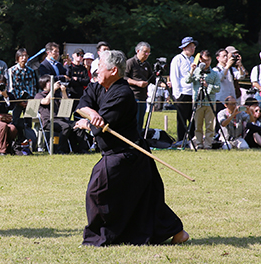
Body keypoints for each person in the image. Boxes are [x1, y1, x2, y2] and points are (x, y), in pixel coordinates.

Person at [75, 49, 188, 246]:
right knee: (140, 199)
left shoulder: (123, 94)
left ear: (112, 71)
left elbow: (99, 127)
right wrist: (91, 113)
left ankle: (100, 236)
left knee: (98, 191)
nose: (97, 70)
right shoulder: (100, 86)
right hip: (116, 154)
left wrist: (88, 123)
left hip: (127, 155)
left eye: (100, 67)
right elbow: (82, 104)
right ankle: (176, 232)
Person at [35, 74, 88, 154]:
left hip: (61, 120)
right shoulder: (39, 95)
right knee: (65, 127)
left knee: (78, 125)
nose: (52, 84)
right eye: (50, 82)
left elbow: (66, 104)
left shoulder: (57, 94)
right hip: (49, 121)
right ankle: (61, 150)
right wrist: (52, 90)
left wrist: (63, 92)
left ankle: (80, 149)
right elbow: (46, 102)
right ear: (44, 83)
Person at [184, 50, 221, 149]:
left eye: (208, 60)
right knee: (198, 125)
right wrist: (191, 70)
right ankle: (199, 144)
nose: (206, 63)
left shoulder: (214, 73)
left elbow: (218, 88)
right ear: (200, 60)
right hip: (198, 101)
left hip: (210, 102)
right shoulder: (196, 71)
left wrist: (208, 86)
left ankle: (208, 145)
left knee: (210, 126)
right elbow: (187, 80)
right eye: (204, 60)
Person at [170, 36, 197, 143]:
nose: (192, 49)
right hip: (182, 92)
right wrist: (176, 94)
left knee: (192, 118)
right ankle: (181, 139)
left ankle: (192, 139)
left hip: (192, 93)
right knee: (181, 119)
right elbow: (174, 77)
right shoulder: (177, 59)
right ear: (184, 47)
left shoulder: (193, 59)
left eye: (193, 47)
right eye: (190, 47)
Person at [8, 48, 38, 142]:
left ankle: (29, 141)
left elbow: (33, 86)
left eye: (26, 56)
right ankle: (16, 141)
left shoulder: (31, 71)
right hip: (16, 101)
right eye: (22, 56)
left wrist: (30, 100)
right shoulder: (12, 70)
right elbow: (11, 88)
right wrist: (18, 101)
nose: (24, 58)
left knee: (28, 123)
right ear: (17, 58)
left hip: (29, 101)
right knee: (15, 121)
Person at [125, 42, 153, 132]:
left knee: (140, 121)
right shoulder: (130, 62)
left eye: (148, 53)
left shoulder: (147, 65)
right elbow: (123, 77)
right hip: (133, 96)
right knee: (134, 120)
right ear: (138, 51)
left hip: (143, 97)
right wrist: (137, 83)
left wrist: (164, 84)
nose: (146, 55)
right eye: (145, 52)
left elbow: (152, 78)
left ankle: (139, 140)